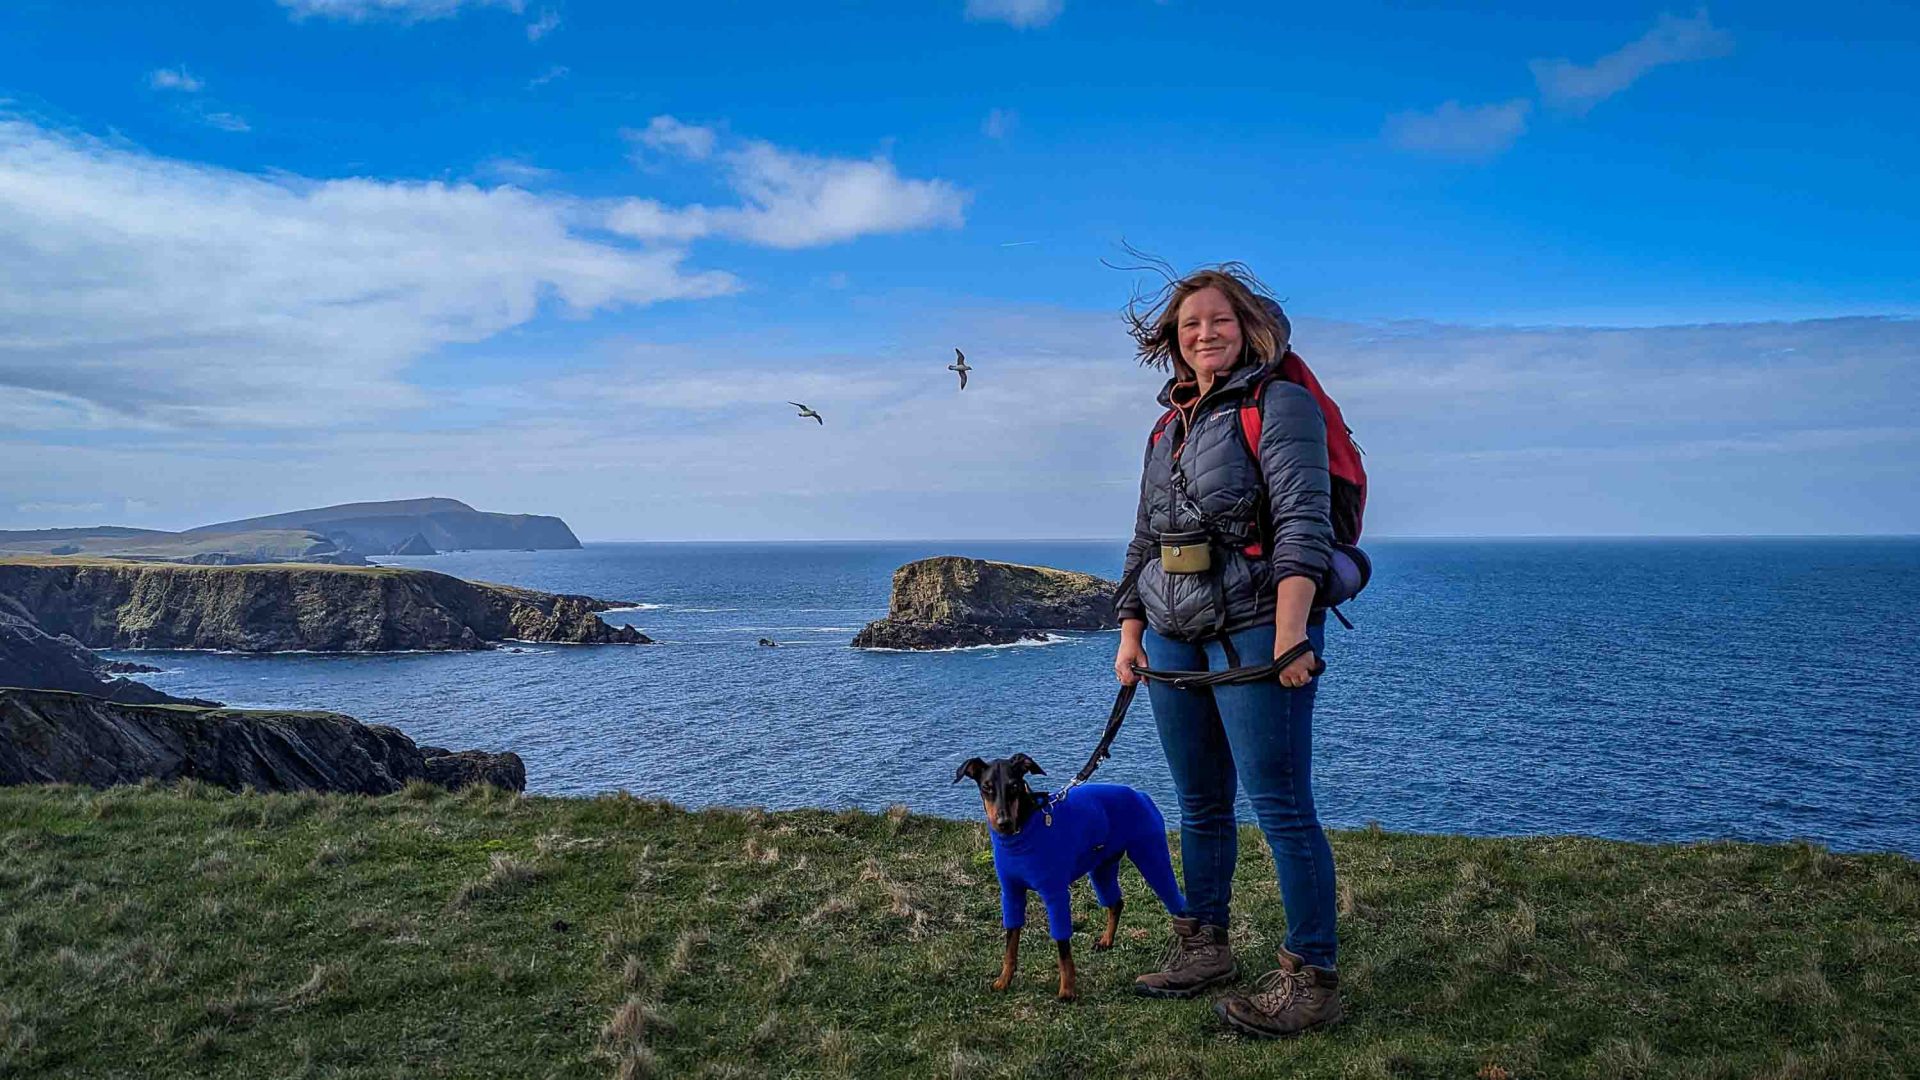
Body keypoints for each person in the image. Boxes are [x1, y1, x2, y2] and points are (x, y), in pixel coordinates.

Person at [1112, 263, 1343, 1037]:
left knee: (1281, 808)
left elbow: (1305, 524)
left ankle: (1311, 979)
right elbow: (1145, 536)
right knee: (1200, 803)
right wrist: (1130, 628)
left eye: (1218, 320)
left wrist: (1290, 635)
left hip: (1255, 627)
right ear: (1173, 344)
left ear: (1248, 326)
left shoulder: (1282, 404)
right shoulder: (1166, 423)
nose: (1204, 334)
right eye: (1189, 326)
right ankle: (1204, 946)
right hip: (1171, 631)